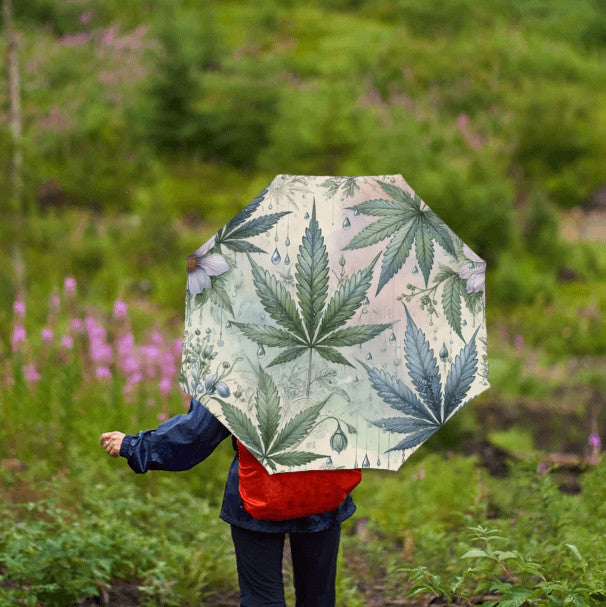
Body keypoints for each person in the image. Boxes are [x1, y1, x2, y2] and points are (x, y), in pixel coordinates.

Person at [100, 397, 356, 607]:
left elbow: (197, 434)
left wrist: (136, 446)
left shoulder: (239, 351)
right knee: (318, 598)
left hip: (258, 492)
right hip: (324, 488)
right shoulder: (340, 349)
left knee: (262, 599)